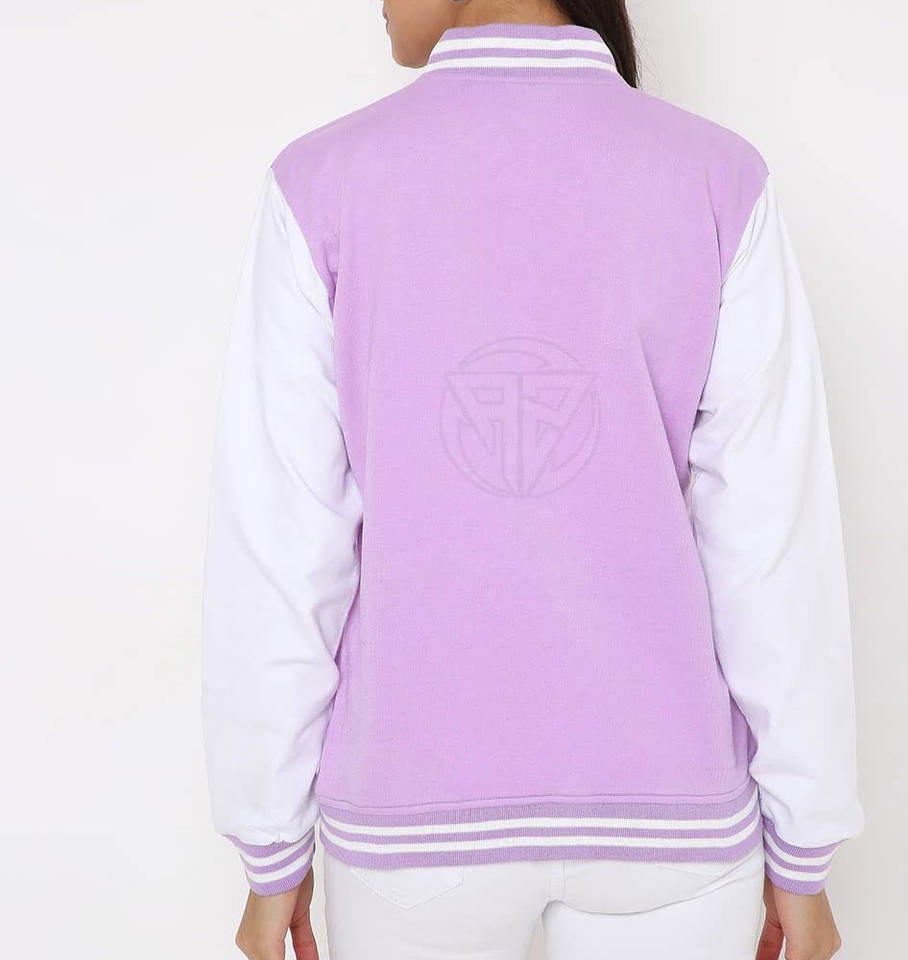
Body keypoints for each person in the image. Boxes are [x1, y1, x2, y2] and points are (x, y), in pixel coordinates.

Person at [201, 1, 865, 958]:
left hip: (411, 837)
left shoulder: (323, 183)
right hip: (672, 827)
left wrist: (271, 844)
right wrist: (803, 847)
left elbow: (280, 545)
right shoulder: (713, 176)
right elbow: (772, 543)